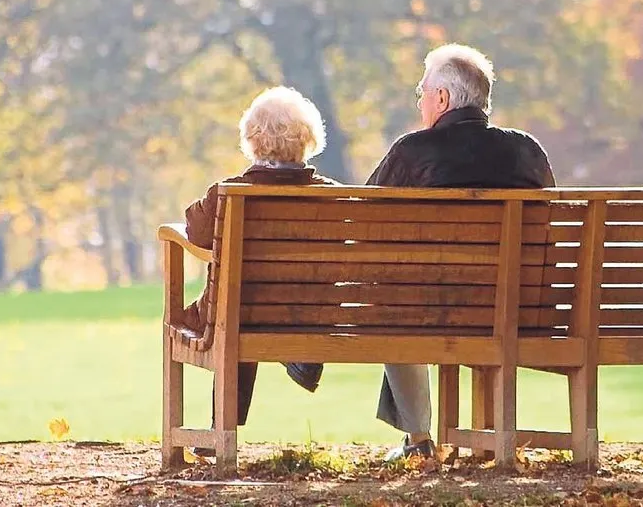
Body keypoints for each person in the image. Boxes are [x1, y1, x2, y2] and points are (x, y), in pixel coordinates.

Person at [366, 44, 556, 460]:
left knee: (391, 295)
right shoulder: (528, 151)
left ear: (443, 99)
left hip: (428, 313)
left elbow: (360, 219)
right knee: (405, 293)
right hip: (523, 309)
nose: (420, 100)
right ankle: (470, 434)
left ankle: (418, 440)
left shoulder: (412, 152)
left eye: (422, 91)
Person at [181, 86, 339, 435]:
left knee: (232, 306)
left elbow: (195, 230)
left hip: (238, 314)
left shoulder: (229, 194)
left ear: (253, 139)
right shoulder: (333, 197)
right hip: (307, 318)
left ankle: (221, 431)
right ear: (308, 138)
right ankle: (301, 355)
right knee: (246, 302)